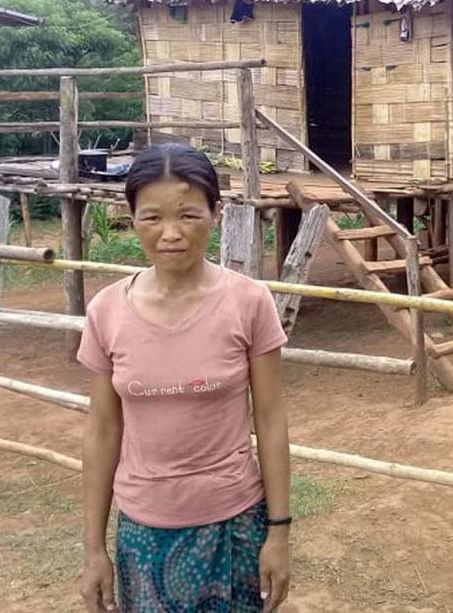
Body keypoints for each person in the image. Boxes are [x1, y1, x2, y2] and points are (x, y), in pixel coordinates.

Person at [78, 143, 292, 613]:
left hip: (234, 525)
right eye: (152, 217)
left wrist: (279, 530)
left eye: (189, 216)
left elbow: (272, 419)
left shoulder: (248, 302)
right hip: (143, 531)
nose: (171, 234)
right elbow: (102, 429)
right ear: (130, 217)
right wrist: (94, 548)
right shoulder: (106, 312)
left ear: (215, 213)